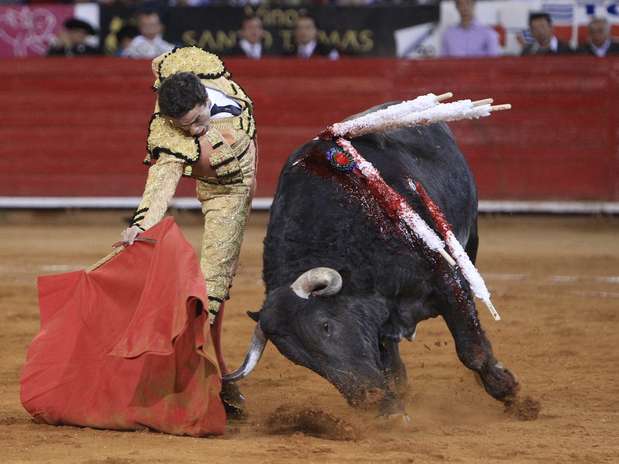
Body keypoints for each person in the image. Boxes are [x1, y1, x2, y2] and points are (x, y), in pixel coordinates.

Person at [121, 46, 257, 416]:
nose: (196, 131)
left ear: (204, 96)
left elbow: (171, 60)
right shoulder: (170, 130)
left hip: (230, 190)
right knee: (214, 289)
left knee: (212, 289)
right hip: (218, 178)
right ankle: (205, 382)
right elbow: (161, 180)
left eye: (199, 119)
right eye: (186, 128)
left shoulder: (220, 104)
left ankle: (209, 382)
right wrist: (140, 225)